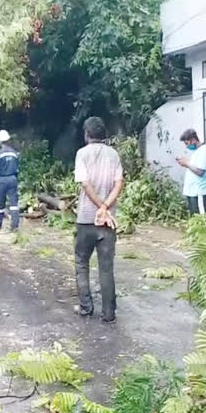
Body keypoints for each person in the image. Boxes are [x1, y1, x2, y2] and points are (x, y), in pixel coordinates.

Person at [73, 117, 124, 324]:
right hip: (107, 222)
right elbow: (119, 183)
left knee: (81, 263)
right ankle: (109, 313)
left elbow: (85, 184)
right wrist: (106, 207)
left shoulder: (82, 154)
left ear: (87, 134)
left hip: (86, 218)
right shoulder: (114, 155)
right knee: (106, 267)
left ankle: (86, 307)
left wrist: (98, 205)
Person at [176, 129, 206, 215]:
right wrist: (185, 164)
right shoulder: (197, 152)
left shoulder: (204, 151)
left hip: (199, 192)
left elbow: (200, 172)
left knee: (200, 221)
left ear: (193, 140)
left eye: (187, 143)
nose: (186, 146)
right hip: (193, 192)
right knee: (194, 220)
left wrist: (187, 163)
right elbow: (194, 168)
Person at [0, 130, 20, 230]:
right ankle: (15, 225)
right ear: (8, 140)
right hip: (13, 179)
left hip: (2, 180)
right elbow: (17, 169)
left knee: (1, 203)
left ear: (0, 141)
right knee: (14, 203)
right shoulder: (14, 153)